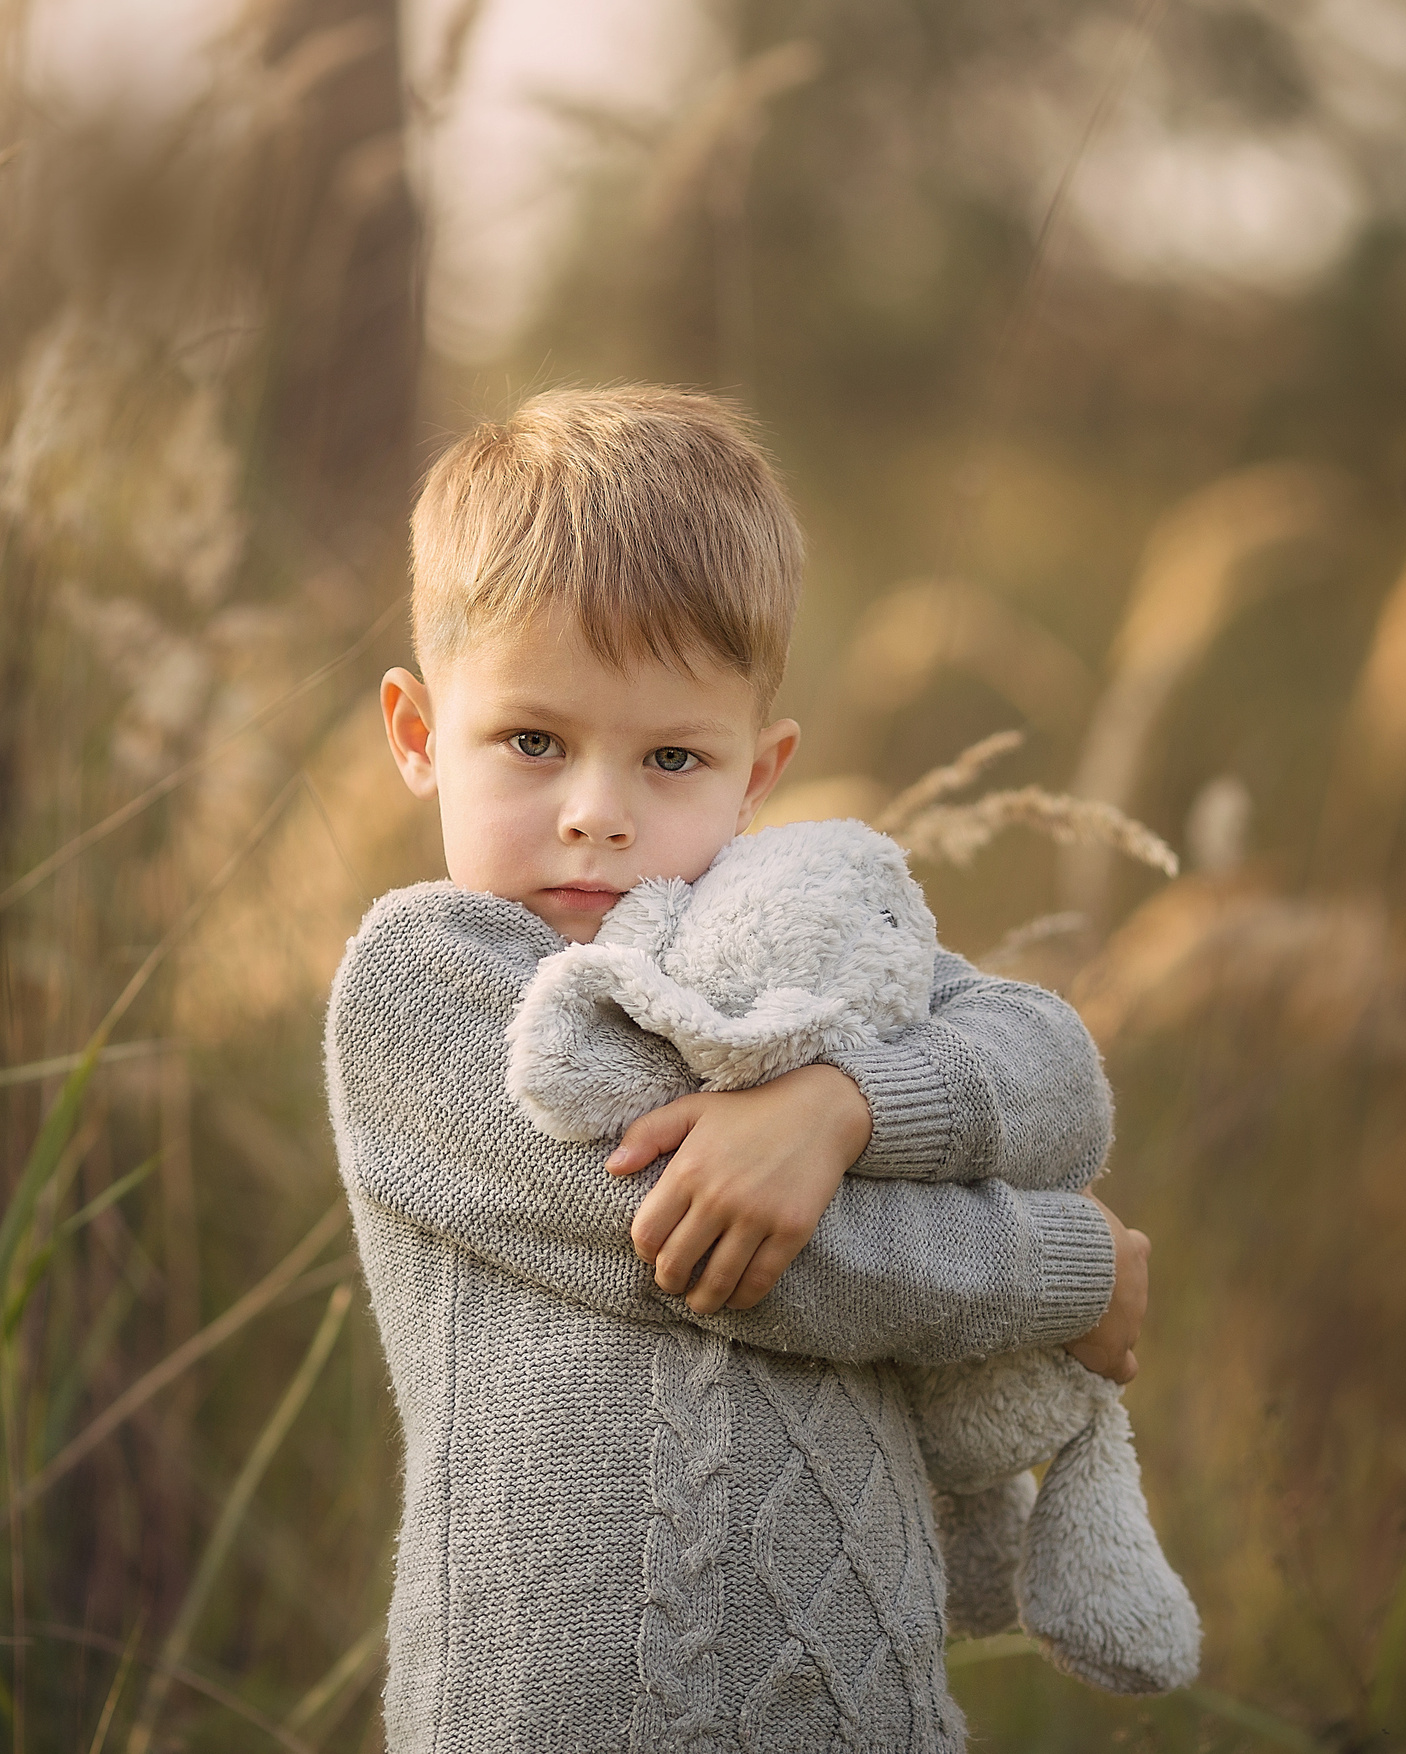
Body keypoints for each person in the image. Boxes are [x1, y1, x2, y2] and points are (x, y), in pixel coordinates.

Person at [324, 384, 1151, 1751]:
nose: (597, 810)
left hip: (857, 1704)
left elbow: (1053, 1062)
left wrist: (839, 1102)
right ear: (418, 733)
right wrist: (1069, 1272)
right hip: (543, 1719)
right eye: (534, 740)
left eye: (670, 756)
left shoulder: (796, 943)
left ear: (756, 771)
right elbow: (756, 1261)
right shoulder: (430, 986)